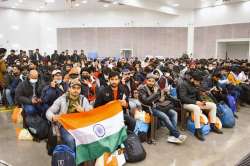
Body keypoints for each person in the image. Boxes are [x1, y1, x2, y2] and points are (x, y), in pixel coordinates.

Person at [139, 73, 187, 144]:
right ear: (146, 81)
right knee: (165, 117)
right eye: (149, 81)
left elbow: (159, 98)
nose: (151, 83)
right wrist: (155, 94)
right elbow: (145, 101)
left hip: (159, 106)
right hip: (150, 108)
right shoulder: (143, 89)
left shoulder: (155, 87)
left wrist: (162, 96)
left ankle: (172, 135)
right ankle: (177, 135)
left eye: (153, 81)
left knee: (174, 113)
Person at [46, 78, 92, 151]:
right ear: (69, 89)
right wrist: (53, 117)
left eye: (78, 88)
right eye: (73, 88)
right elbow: (49, 111)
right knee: (70, 140)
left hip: (80, 125)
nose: (76, 90)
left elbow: (91, 111)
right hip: (65, 126)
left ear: (80, 90)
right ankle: (73, 159)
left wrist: (83, 110)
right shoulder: (62, 99)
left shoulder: (83, 99)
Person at [178, 71, 223, 141]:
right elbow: (183, 97)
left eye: (199, 82)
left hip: (196, 103)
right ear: (192, 79)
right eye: (198, 81)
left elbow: (198, 95)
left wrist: (202, 101)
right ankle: (197, 130)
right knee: (196, 108)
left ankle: (213, 125)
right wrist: (196, 102)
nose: (199, 83)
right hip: (186, 104)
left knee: (213, 105)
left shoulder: (196, 85)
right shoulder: (183, 84)